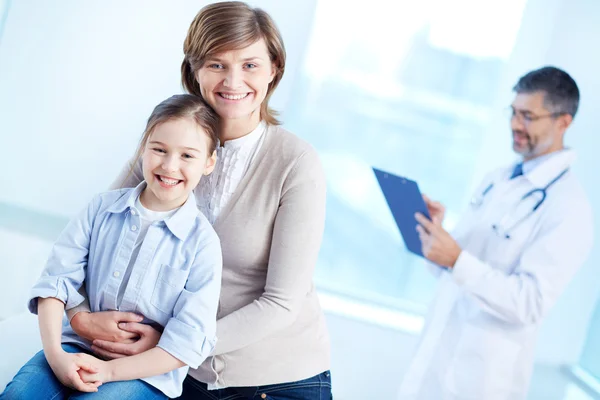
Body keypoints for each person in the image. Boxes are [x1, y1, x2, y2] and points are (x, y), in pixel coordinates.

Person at [63, 2, 332, 399]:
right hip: (174, 374)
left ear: (274, 69)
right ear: (194, 70)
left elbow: (280, 303)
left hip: (274, 381)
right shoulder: (166, 146)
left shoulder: (296, 163)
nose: (233, 80)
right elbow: (94, 240)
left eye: (250, 65)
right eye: (216, 64)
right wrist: (82, 318)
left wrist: (168, 344)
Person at [1, 94, 222, 399]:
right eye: (159, 149)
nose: (170, 166)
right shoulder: (101, 209)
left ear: (209, 162)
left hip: (145, 373)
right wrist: (56, 356)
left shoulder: (203, 243)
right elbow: (55, 284)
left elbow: (188, 340)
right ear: (143, 148)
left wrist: (107, 372)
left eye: (187, 156)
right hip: (75, 347)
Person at [397, 66, 594, 400]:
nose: (516, 124)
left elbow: (530, 303)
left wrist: (457, 260)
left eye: (529, 116)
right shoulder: (498, 178)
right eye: (514, 112)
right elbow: (453, 267)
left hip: (481, 381)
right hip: (435, 362)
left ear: (563, 122)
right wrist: (438, 237)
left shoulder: (569, 209)